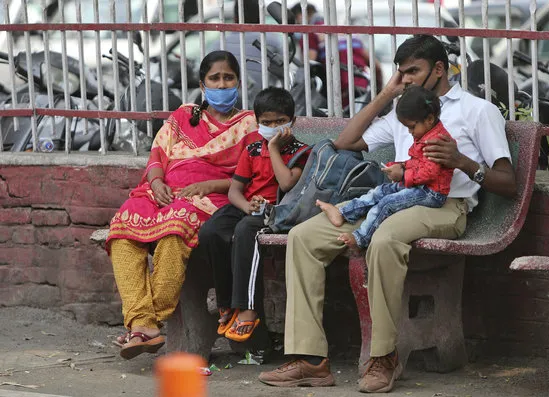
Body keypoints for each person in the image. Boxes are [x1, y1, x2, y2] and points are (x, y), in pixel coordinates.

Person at [258, 34, 517, 392]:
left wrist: (461, 162)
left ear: (439, 69)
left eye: (414, 71)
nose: (406, 78)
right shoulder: (404, 112)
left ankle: (384, 356)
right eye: (402, 72)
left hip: (444, 206)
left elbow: (508, 181)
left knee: (384, 238)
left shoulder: (476, 111)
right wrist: (386, 94)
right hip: (394, 198)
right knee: (303, 237)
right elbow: (344, 142)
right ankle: (310, 360)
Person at [107, 50, 259, 360]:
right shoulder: (182, 115)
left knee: (173, 233)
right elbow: (156, 155)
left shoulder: (248, 125)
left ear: (238, 83)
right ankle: (144, 324)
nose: (221, 84)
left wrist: (210, 185)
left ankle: (149, 323)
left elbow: (253, 178)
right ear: (202, 85)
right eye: (214, 79)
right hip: (161, 192)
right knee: (121, 233)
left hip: (211, 198)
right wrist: (157, 182)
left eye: (227, 78)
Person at [197, 87, 310, 343]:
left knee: (246, 230)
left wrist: (273, 149)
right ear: (257, 122)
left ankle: (248, 309)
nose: (273, 126)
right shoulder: (251, 150)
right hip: (249, 206)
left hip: (277, 213)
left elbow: (286, 184)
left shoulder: (302, 152)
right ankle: (226, 303)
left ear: (292, 121)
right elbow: (235, 191)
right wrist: (246, 204)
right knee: (211, 231)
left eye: (280, 121)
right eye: (266, 122)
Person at [316, 85, 454, 249]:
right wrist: (400, 165)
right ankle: (343, 213)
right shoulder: (426, 133)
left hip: (431, 193)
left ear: (429, 119)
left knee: (387, 203)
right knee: (379, 192)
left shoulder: (436, 141)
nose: (409, 132)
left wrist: (402, 174)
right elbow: (418, 162)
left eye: (411, 127)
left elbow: (429, 173)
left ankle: (360, 238)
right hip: (418, 186)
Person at [209, 0, 283, 106]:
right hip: (263, 105)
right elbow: (285, 71)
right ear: (260, 16)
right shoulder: (272, 40)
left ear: (235, 17)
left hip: (227, 105)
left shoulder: (220, 43)